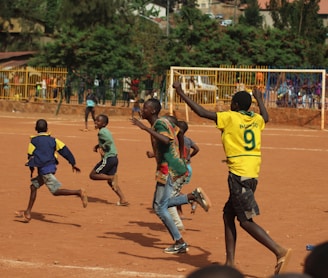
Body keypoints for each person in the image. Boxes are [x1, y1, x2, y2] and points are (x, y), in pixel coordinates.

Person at [173, 81, 291, 274]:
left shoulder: (230, 117)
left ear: (235, 106)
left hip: (239, 174)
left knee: (245, 221)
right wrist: (260, 100)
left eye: (231, 103)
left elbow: (202, 112)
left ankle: (279, 251)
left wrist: (181, 92)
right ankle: (230, 262)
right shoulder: (255, 119)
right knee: (228, 215)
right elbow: (266, 117)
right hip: (251, 173)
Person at [131, 98, 212, 254]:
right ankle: (192, 197)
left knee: (160, 208)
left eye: (146, 108)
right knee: (159, 205)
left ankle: (179, 242)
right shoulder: (164, 122)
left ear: (153, 111)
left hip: (169, 170)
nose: (142, 109)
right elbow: (179, 132)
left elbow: (167, 140)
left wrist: (144, 129)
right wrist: (181, 154)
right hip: (167, 168)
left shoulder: (160, 124)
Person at [15, 119, 88, 223]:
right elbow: (65, 151)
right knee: (33, 186)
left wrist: (31, 169)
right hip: (51, 168)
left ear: (35, 129)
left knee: (55, 191)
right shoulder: (53, 140)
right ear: (47, 129)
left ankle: (78, 192)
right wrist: (73, 163)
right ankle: (27, 213)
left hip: (45, 170)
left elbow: (30, 157)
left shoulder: (33, 141)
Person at [89, 114, 129, 206]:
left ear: (104, 124)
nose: (95, 122)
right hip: (114, 158)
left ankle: (111, 177)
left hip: (108, 158)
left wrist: (102, 147)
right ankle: (123, 199)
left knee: (93, 175)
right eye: (95, 120)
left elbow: (109, 141)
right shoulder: (106, 131)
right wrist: (97, 146)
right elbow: (108, 140)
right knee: (111, 182)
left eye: (98, 121)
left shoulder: (101, 132)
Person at [177, 120, 200, 217]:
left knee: (174, 191)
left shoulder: (176, 140)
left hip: (179, 168)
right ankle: (180, 212)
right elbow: (197, 148)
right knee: (176, 190)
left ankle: (192, 199)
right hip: (188, 167)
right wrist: (189, 156)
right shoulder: (188, 140)